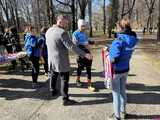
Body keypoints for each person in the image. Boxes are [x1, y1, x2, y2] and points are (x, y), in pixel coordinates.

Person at [45, 15, 92, 106]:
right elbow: (71, 46)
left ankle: (52, 90)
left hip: (51, 59)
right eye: (66, 22)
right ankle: (65, 99)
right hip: (61, 60)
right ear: (61, 21)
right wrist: (85, 54)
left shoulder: (48, 30)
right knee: (64, 79)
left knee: (54, 74)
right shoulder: (62, 32)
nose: (67, 24)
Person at [108, 18, 138, 120]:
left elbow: (114, 59)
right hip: (126, 68)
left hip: (116, 71)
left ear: (121, 27)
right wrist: (110, 48)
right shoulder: (133, 40)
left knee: (116, 93)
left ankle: (117, 116)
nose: (116, 29)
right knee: (122, 91)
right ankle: (123, 111)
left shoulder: (119, 40)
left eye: (117, 27)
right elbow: (124, 50)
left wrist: (109, 55)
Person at [72, 19, 95, 92]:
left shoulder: (85, 33)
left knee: (88, 68)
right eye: (82, 26)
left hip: (87, 53)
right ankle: (78, 80)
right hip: (80, 54)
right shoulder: (75, 33)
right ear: (79, 26)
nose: (83, 28)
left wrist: (92, 42)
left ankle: (89, 84)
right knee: (80, 68)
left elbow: (86, 41)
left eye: (84, 26)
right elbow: (75, 45)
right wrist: (84, 46)